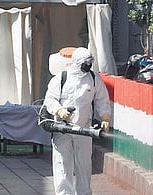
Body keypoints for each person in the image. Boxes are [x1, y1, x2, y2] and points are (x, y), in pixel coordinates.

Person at [43, 47, 111, 195]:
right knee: (62, 165)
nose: (88, 66)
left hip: (84, 130)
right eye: (86, 63)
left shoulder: (93, 79)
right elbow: (50, 99)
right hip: (62, 130)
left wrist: (105, 117)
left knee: (84, 166)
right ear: (77, 62)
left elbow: (102, 99)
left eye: (90, 63)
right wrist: (60, 110)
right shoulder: (61, 78)